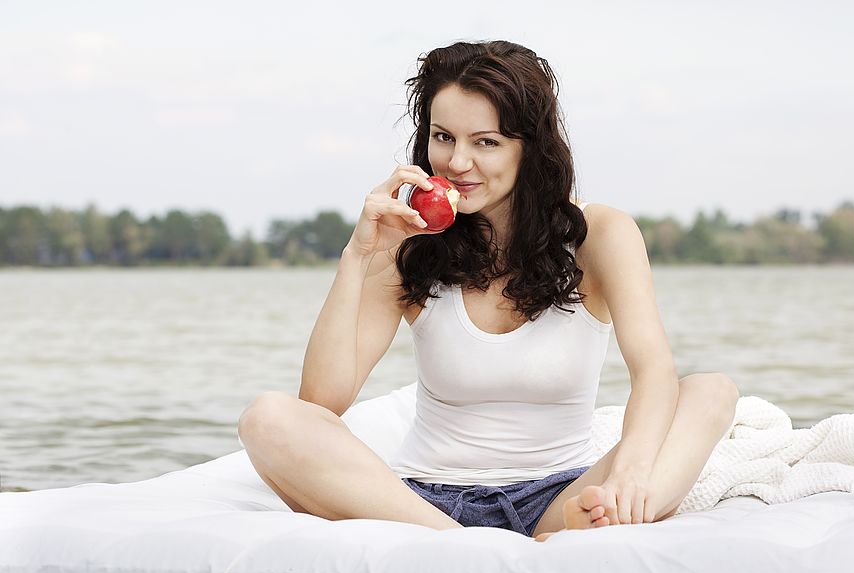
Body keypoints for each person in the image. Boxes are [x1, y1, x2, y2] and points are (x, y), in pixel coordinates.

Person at [237, 39, 740, 541]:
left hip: (562, 498)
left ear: (531, 147)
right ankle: (466, 546)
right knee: (269, 419)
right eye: (443, 137)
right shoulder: (409, 239)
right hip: (419, 501)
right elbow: (321, 402)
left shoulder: (600, 235)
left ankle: (574, 525)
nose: (456, 162)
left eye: (486, 142)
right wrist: (358, 256)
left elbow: (653, 369)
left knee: (709, 393)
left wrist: (631, 474)